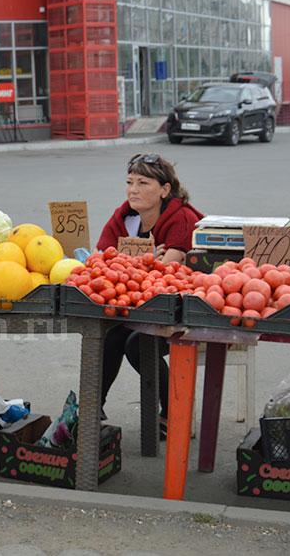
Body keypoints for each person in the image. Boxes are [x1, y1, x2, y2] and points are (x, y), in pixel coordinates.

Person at [96, 153, 203, 438]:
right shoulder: (124, 217)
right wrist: (145, 259)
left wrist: (132, 263)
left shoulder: (181, 218)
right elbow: (102, 261)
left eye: (143, 183)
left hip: (182, 310)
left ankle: (173, 413)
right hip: (137, 307)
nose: (133, 189)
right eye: (130, 182)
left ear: (165, 189)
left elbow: (168, 270)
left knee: (137, 343)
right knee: (110, 335)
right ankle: (94, 407)